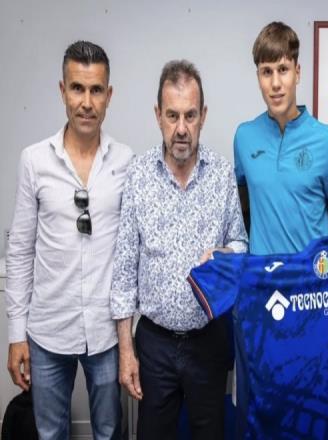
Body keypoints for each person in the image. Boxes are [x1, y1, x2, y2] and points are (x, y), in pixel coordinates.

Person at [110, 60, 248, 440]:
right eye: (172, 116)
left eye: (190, 115)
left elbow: (241, 244)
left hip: (209, 341)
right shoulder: (138, 176)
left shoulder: (221, 174)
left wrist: (224, 254)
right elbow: (124, 268)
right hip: (154, 345)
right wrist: (126, 351)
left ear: (203, 116)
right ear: (158, 116)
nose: (182, 128)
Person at [6, 40, 133, 440]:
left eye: (96, 90)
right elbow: (20, 250)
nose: (86, 102)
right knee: (50, 433)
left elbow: (133, 250)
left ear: (109, 95)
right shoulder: (34, 161)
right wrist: (16, 334)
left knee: (109, 432)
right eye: (77, 88)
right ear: (62, 91)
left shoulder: (126, 162)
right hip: (47, 329)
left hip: (106, 332)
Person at [234, 21, 328, 257]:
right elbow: (241, 204)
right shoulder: (244, 137)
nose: (275, 83)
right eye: (267, 72)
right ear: (258, 77)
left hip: (312, 274)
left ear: (297, 73)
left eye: (283, 69)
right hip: (263, 274)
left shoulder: (327, 140)